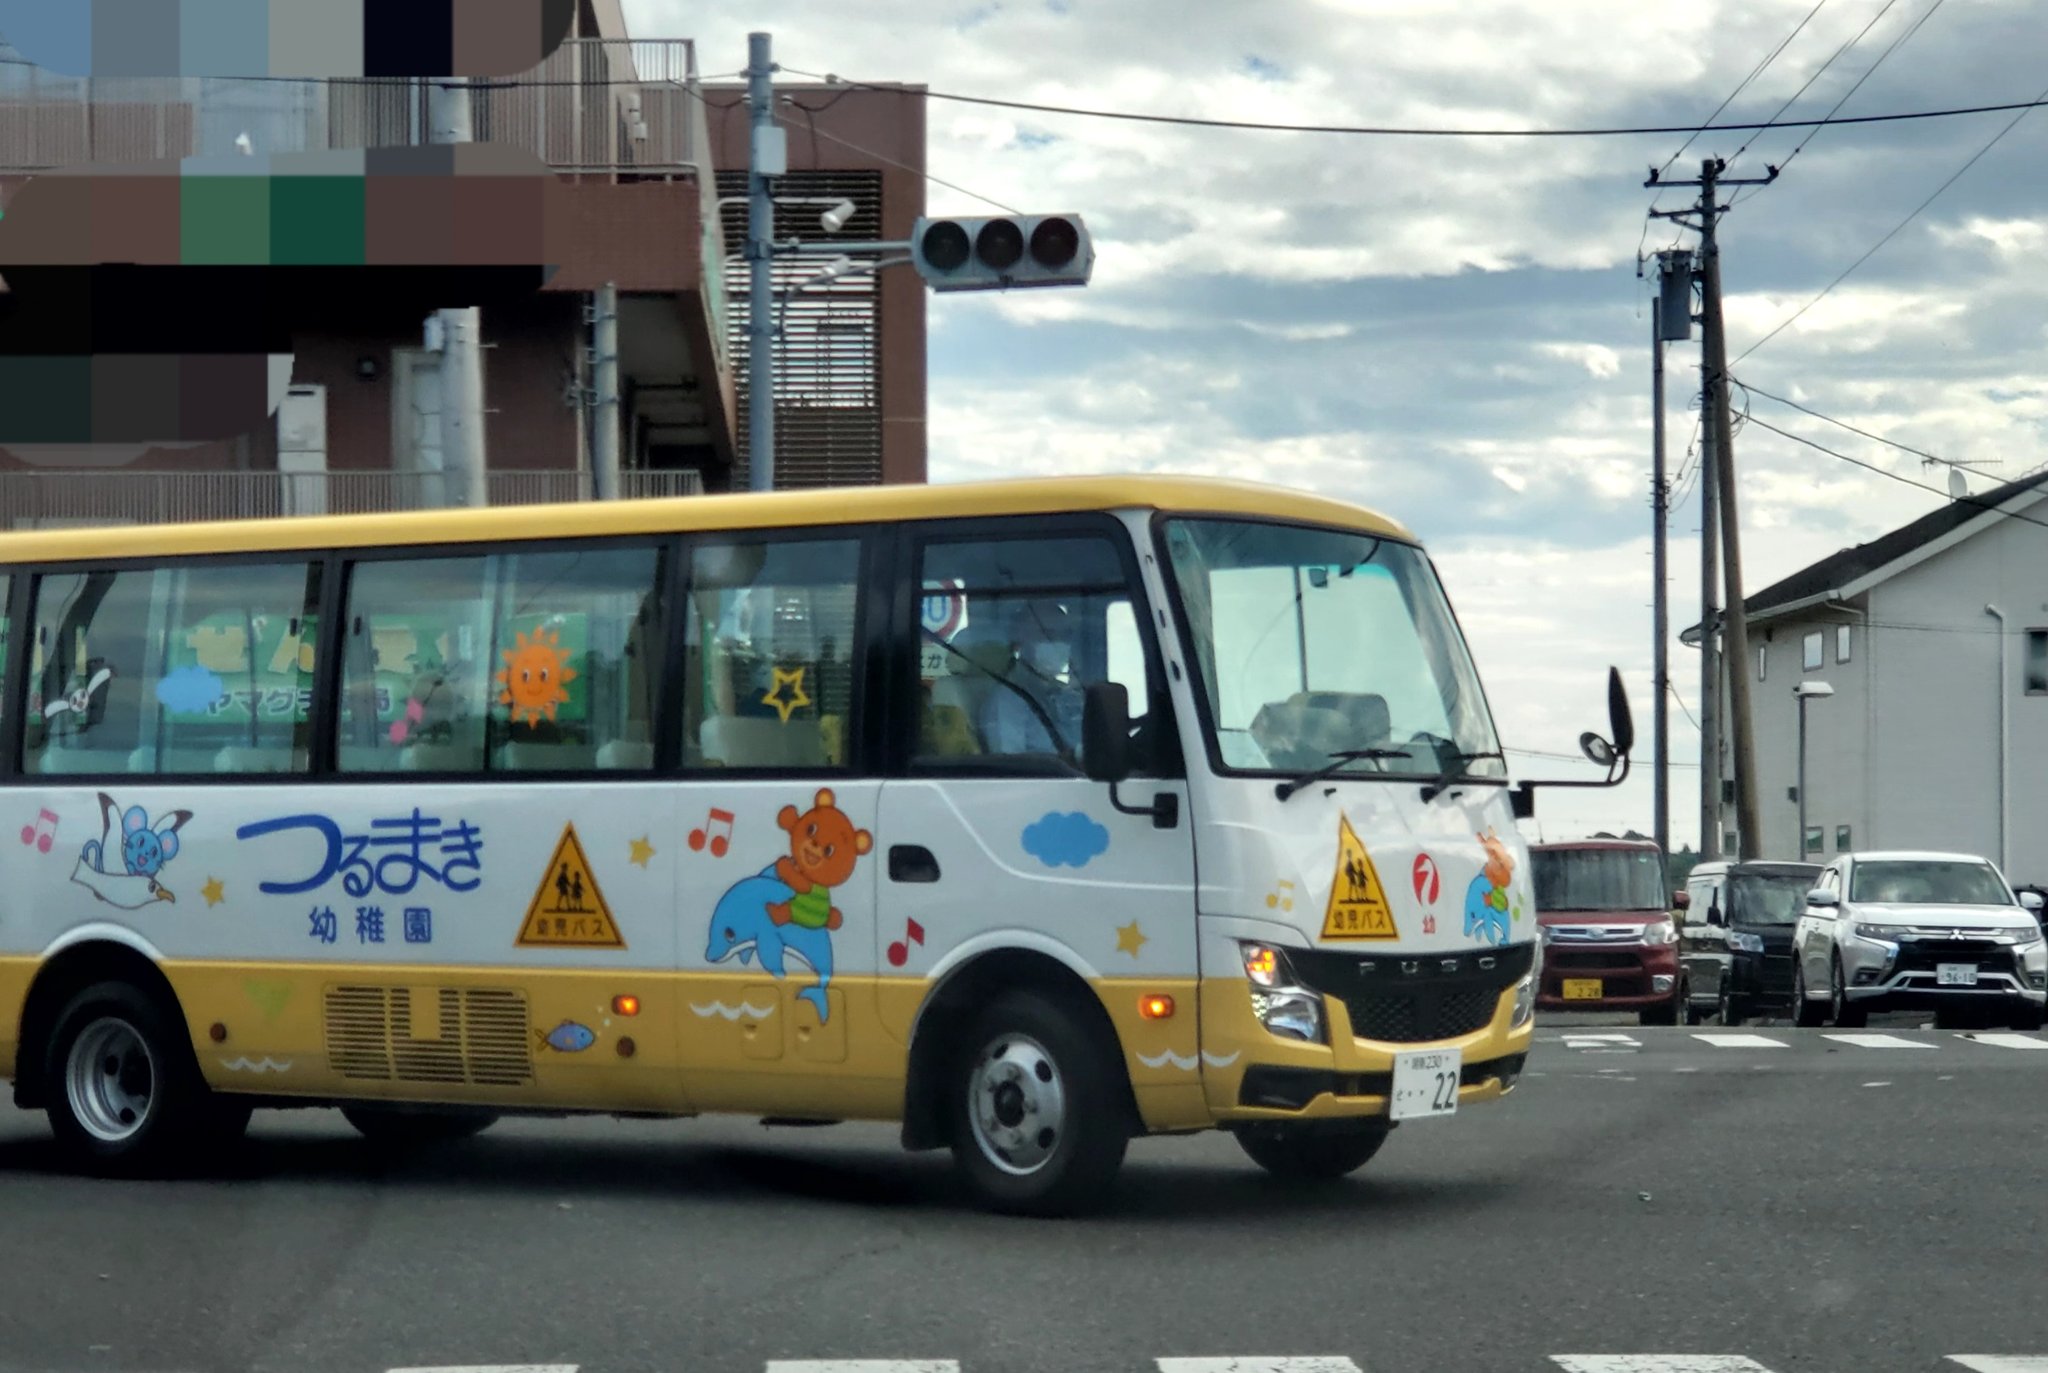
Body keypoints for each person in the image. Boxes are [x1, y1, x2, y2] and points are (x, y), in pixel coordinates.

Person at [979, 601, 1086, 759]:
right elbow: (1011, 767)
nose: (1058, 642)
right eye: (1047, 634)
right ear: (1021, 639)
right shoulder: (1007, 702)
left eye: (1065, 635)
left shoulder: (1067, 695)